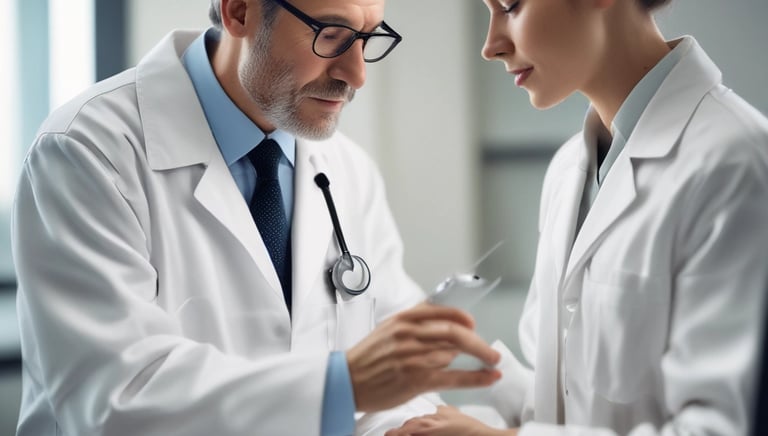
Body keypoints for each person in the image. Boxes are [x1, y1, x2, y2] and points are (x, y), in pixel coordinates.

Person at [11, 0, 503, 435]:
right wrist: (340, 386)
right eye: (330, 35)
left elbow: (391, 355)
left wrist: (408, 424)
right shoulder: (89, 151)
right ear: (239, 11)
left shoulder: (348, 169)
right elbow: (113, 400)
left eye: (369, 37)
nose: (356, 74)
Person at [387, 0, 768, 435]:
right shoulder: (569, 169)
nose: (491, 46)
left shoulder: (736, 164)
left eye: (509, 6)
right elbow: (563, 406)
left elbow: (718, 428)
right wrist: (472, 378)